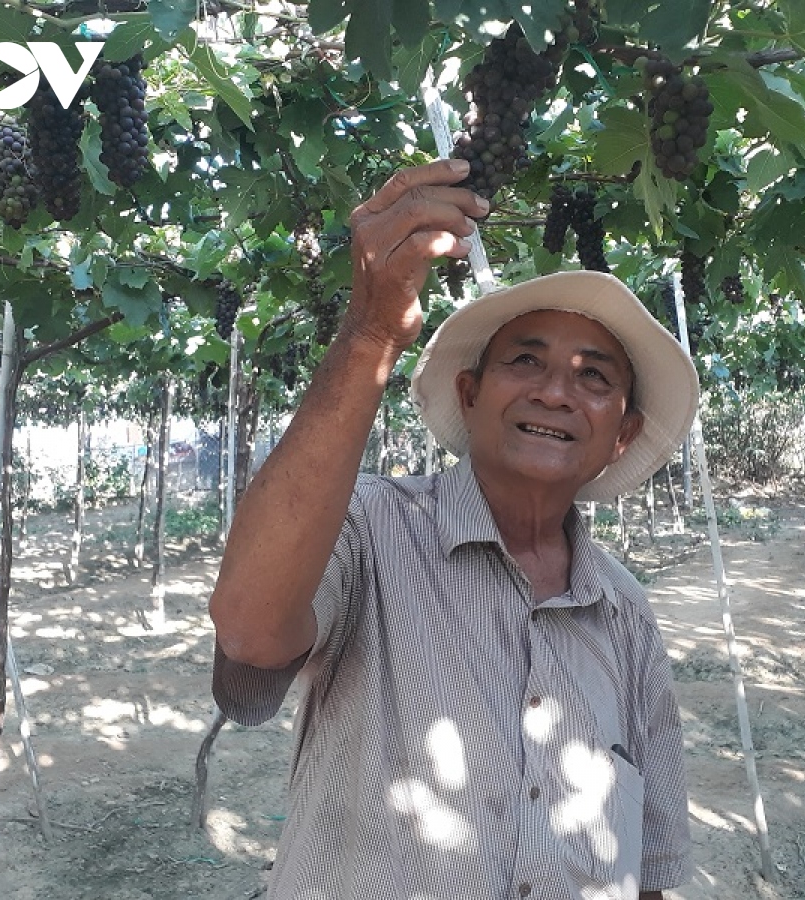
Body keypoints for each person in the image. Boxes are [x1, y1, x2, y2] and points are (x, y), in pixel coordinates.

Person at [208, 159, 699, 900]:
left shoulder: (624, 613)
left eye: (594, 376)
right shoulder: (372, 528)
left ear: (623, 434)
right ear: (469, 395)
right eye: (524, 361)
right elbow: (249, 638)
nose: (556, 390)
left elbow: (652, 860)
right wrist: (372, 330)